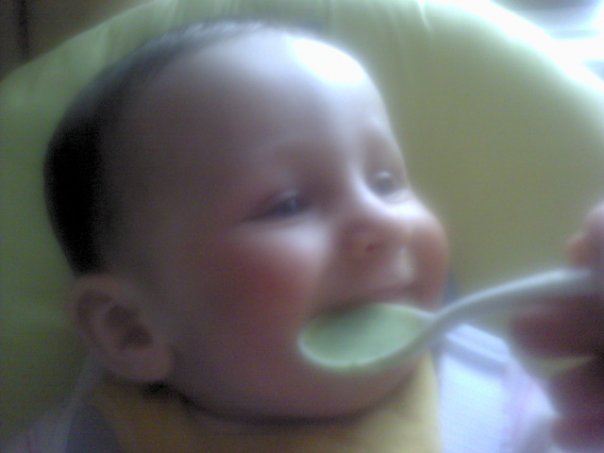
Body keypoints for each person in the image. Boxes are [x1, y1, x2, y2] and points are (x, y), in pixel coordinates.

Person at [7, 19, 604, 452]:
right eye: (288, 204)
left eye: (386, 181)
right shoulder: (91, 438)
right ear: (129, 328)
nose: (384, 222)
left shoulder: (507, 414)